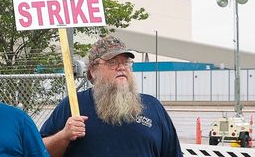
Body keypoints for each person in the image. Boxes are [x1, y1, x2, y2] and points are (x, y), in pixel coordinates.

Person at [39, 36, 181, 157]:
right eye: (112, 62)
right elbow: (39, 151)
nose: (121, 67)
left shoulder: (152, 106)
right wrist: (63, 136)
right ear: (93, 71)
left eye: (125, 62)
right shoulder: (73, 105)